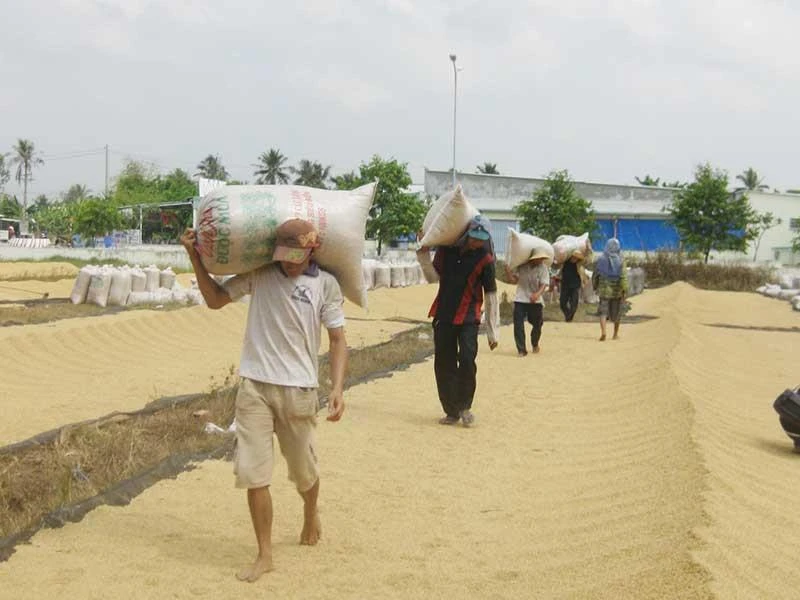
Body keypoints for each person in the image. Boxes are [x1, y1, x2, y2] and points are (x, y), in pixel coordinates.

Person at [180, 218, 348, 583]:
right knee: (253, 473)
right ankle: (265, 554)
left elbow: (337, 339)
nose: (288, 263)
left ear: (311, 250)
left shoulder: (326, 286)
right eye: (283, 256)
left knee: (304, 472)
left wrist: (336, 388)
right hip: (254, 387)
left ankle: (310, 510)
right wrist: (194, 255)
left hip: (299, 391)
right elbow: (215, 300)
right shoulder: (261, 275)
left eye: (295, 256)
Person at [416, 215, 499, 427]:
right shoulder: (447, 252)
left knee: (468, 359)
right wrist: (423, 255)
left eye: (480, 239)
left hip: (469, 318)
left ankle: (465, 406)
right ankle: (451, 411)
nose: (476, 242)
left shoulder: (486, 260)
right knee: (444, 363)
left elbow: (491, 296)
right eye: (473, 237)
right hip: (444, 315)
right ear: (466, 234)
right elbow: (433, 277)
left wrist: (492, 332)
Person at [504, 249, 550, 356]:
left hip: (536, 300)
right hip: (521, 298)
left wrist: (537, 294)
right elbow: (514, 281)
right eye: (539, 258)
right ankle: (521, 349)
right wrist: (507, 271)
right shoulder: (522, 266)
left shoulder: (543, 268)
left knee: (537, 323)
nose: (540, 260)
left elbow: (544, 284)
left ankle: (535, 343)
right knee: (518, 324)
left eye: (542, 259)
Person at [592, 238, 628, 341]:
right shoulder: (621, 260)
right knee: (617, 313)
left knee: (603, 312)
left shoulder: (601, 260)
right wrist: (625, 290)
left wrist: (595, 286)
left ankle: (603, 332)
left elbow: (596, 275)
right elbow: (623, 277)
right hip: (617, 292)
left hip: (603, 290)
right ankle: (615, 334)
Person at [558, 254, 584, 322]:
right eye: (573, 257)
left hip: (575, 285)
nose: (574, 259)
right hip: (565, 284)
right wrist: (558, 276)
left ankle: (569, 317)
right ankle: (568, 315)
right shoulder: (565, 262)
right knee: (562, 303)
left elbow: (589, 257)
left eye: (576, 258)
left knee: (574, 303)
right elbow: (559, 268)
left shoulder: (579, 264)